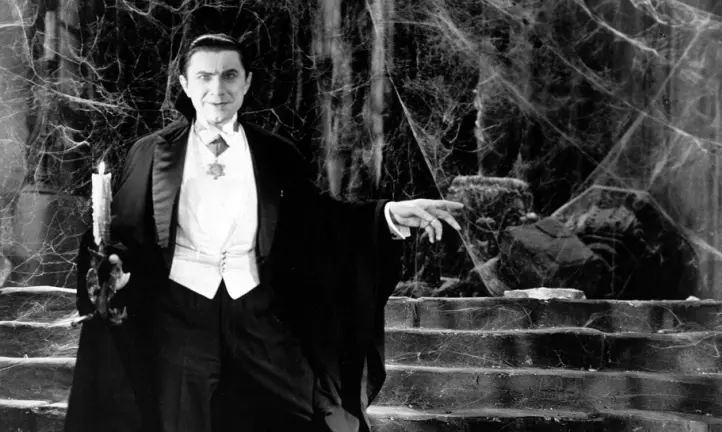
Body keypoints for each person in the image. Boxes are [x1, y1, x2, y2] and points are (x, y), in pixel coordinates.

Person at [64, 33, 463, 432]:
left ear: (247, 82)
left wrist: (387, 215)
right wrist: (113, 265)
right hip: (181, 316)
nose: (217, 89)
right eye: (204, 77)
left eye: (229, 75)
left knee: (319, 416)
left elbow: (321, 222)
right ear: (185, 84)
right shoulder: (151, 152)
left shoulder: (275, 153)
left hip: (256, 312)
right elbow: (121, 233)